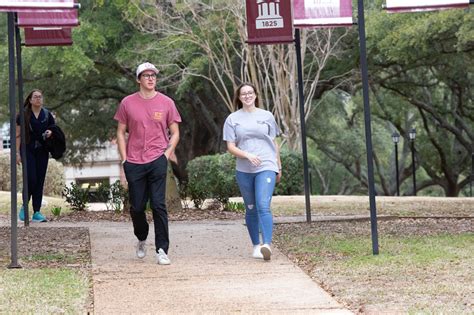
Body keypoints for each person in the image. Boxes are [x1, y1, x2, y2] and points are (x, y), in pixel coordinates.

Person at [114, 62, 181, 265]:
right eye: (146, 75)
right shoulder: (127, 103)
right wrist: (124, 158)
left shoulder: (167, 102)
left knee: (159, 205)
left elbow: (175, 132)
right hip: (134, 161)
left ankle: (162, 249)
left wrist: (167, 153)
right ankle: (142, 238)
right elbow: (120, 131)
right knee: (137, 207)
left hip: (157, 158)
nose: (151, 78)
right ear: (138, 79)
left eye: (153, 75)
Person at [223, 83, 281, 261]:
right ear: (239, 98)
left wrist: (278, 166)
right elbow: (230, 147)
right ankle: (256, 245)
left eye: (250, 93)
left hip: (266, 165)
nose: (247, 96)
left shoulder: (267, 116)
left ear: (256, 95)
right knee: (251, 208)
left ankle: (267, 245)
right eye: (243, 94)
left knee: (263, 204)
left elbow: (273, 142)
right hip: (244, 169)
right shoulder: (232, 119)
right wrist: (247, 155)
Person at [16, 89, 54, 222]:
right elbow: (18, 135)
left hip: (43, 151)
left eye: (40, 97)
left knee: (40, 181)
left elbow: (53, 129)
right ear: (30, 100)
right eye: (36, 97)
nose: (38, 99)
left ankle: (37, 212)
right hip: (27, 150)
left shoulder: (47, 114)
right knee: (31, 178)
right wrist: (16, 153)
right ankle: (24, 206)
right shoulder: (23, 114)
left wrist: (50, 132)